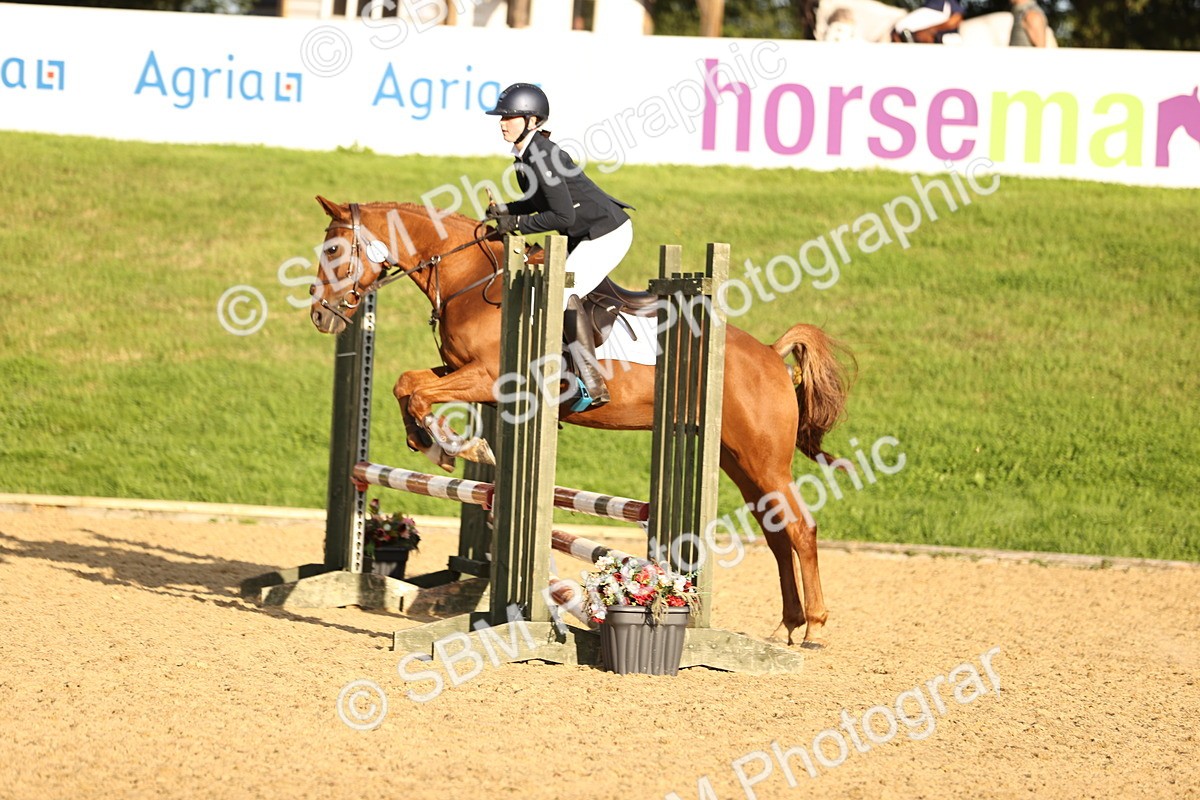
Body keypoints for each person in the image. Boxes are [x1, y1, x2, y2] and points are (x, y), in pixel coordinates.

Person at [483, 83, 634, 412]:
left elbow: (561, 214)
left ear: (532, 120)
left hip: (606, 233)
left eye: (511, 117)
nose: (503, 122)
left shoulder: (542, 155)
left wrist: (517, 226)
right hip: (584, 233)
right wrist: (508, 210)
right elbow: (539, 201)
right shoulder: (526, 155)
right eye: (502, 117)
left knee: (562, 291)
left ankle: (594, 383)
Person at [891, 0, 964, 44]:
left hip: (940, 18)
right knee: (898, 31)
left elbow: (955, 20)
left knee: (901, 26)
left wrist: (930, 31)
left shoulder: (946, 3)